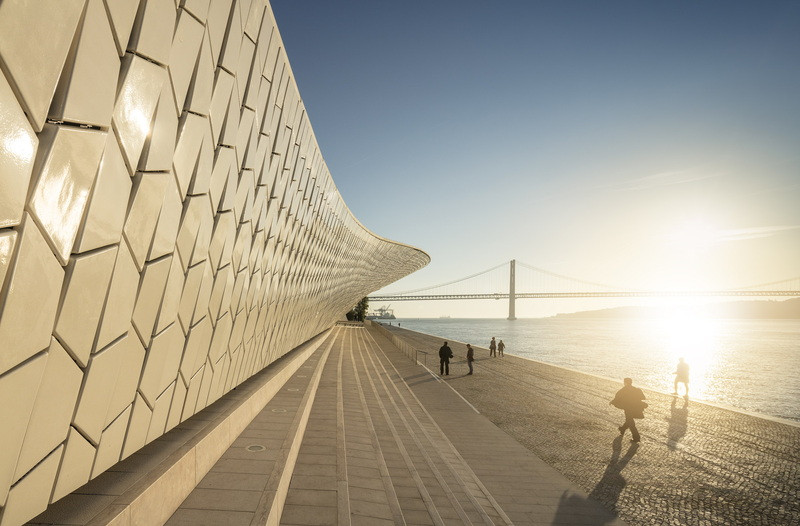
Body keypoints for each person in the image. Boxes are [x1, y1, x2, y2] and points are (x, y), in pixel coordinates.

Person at [610, 378, 647, 443]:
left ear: (625, 383)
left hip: (628, 409)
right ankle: (622, 429)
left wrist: (612, 402)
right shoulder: (636, 389)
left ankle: (636, 438)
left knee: (631, 423)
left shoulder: (623, 390)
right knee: (629, 420)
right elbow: (643, 397)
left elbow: (617, 397)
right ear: (631, 382)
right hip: (636, 408)